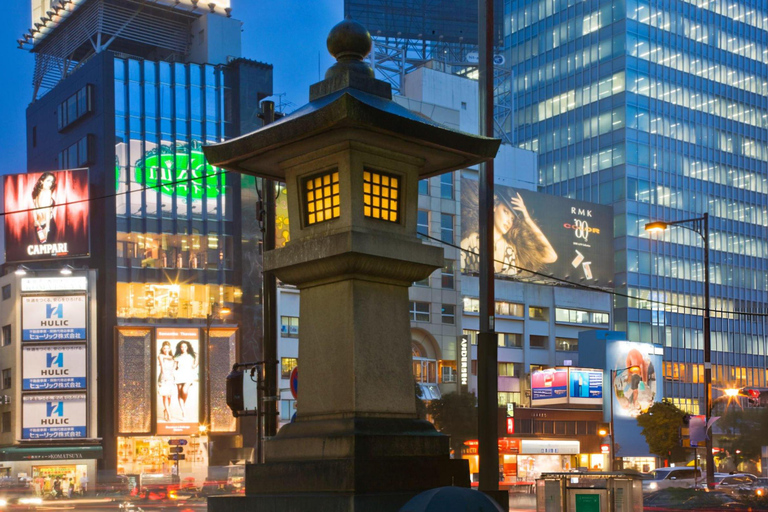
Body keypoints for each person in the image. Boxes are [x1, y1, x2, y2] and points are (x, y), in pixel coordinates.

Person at [461, 180, 557, 276]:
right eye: (505, 211)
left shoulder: (513, 250)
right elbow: (455, 265)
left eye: (512, 218)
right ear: (495, 207)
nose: (508, 221)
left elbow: (551, 256)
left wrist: (527, 219)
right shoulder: (472, 241)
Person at [174, 341, 198, 420]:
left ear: (187, 347)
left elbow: (194, 365)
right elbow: (174, 366)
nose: (183, 348)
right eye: (181, 347)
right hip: (179, 374)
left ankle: (183, 407)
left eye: (185, 346)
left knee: (184, 391)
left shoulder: (192, 355)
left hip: (188, 375)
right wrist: (171, 374)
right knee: (179, 392)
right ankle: (183, 411)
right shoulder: (177, 356)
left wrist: (196, 362)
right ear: (180, 348)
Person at [31, 172, 57, 244]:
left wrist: (36, 221)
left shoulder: (36, 194)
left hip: (38, 225)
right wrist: (47, 228)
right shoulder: (47, 192)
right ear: (42, 181)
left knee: (42, 250)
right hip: (47, 224)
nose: (50, 184)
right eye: (48, 181)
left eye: (52, 182)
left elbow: (35, 209)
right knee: (49, 251)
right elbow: (47, 210)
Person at [157, 341, 175, 421]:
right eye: (164, 348)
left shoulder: (173, 356)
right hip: (163, 376)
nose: (166, 349)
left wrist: (172, 375)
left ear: (170, 348)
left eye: (167, 348)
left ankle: (165, 410)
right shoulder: (160, 356)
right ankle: (168, 413)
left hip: (171, 376)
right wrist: (165, 376)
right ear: (162, 349)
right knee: (165, 395)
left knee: (169, 396)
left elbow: (175, 366)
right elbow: (162, 367)